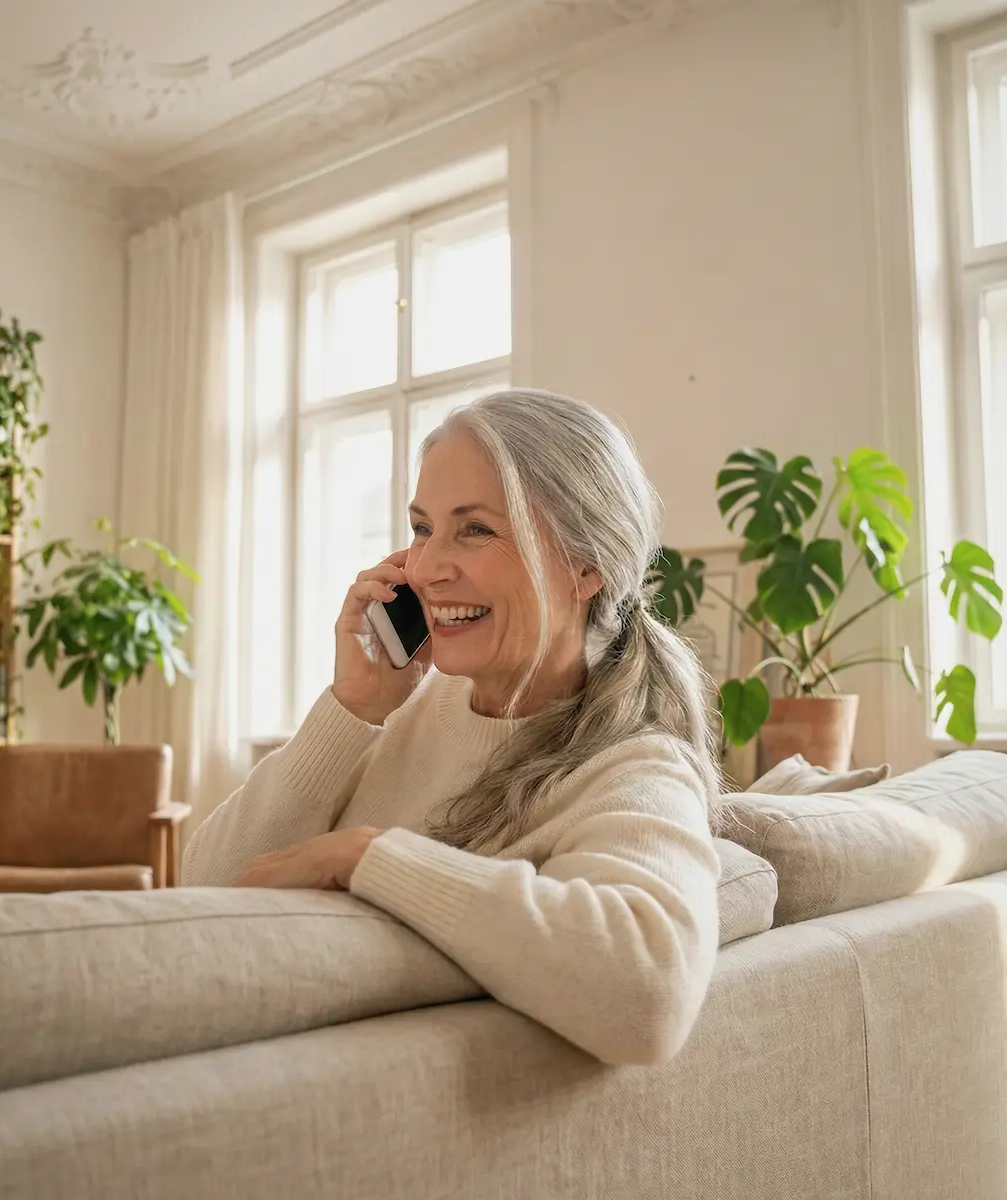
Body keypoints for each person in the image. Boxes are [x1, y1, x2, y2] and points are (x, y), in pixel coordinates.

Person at [183, 388, 723, 1066]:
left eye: (474, 530)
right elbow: (202, 892)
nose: (431, 567)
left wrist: (365, 858)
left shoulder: (632, 768)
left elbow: (650, 997)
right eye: (421, 529)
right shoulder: (401, 708)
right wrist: (350, 708)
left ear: (589, 566)